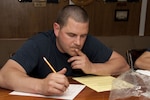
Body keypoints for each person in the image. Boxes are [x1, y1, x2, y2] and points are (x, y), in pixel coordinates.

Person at [0, 5, 129, 96]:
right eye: (71, 35)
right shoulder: (39, 43)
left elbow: (123, 66)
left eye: (83, 35)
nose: (78, 42)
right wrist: (41, 86)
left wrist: (92, 67)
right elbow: (3, 75)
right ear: (57, 29)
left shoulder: (88, 41)